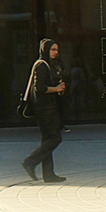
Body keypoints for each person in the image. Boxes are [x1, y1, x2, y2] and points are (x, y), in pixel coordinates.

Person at [21, 39, 68, 183]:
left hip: (45, 108)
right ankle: (30, 162)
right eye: (53, 50)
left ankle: (48, 174)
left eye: (57, 50)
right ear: (46, 50)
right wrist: (56, 89)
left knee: (47, 139)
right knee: (55, 138)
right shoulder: (42, 65)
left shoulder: (49, 65)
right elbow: (40, 88)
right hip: (45, 109)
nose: (56, 53)